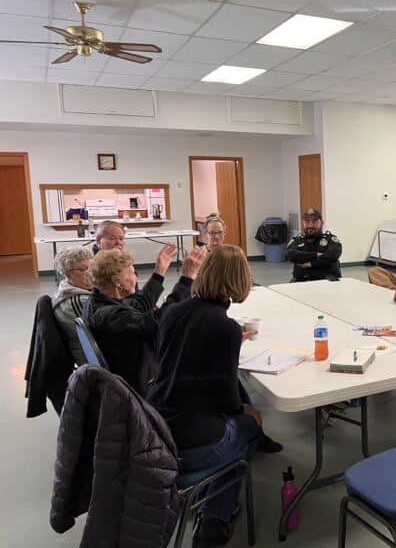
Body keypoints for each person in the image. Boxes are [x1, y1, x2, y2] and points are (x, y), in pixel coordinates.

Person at [147, 245, 282, 547]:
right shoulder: (225, 327)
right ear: (240, 280)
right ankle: (216, 514)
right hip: (191, 442)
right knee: (249, 428)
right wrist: (247, 413)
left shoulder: (172, 311)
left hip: (155, 426)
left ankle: (215, 504)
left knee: (243, 413)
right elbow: (225, 400)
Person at [83, 243, 207, 394]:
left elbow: (138, 305)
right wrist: (186, 280)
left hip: (133, 369)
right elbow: (162, 322)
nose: (136, 278)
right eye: (133, 273)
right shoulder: (109, 315)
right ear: (118, 282)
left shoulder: (99, 300)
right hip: (142, 384)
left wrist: (159, 271)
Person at [52, 247, 94, 364]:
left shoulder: (75, 289)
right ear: (67, 274)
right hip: (93, 358)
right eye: (83, 270)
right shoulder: (77, 301)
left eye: (92, 267)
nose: (90, 273)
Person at [285, 208, 342, 282]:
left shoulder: (330, 240)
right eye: (307, 221)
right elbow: (292, 255)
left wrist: (311, 263)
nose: (310, 225)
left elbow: (333, 255)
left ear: (321, 223)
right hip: (302, 281)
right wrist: (316, 255)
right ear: (303, 223)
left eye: (314, 221)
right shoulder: (297, 241)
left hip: (327, 280)